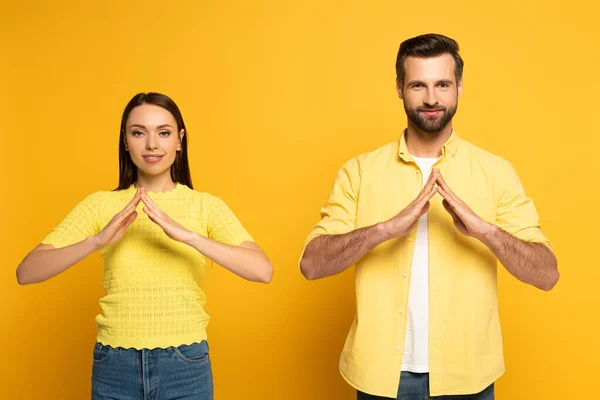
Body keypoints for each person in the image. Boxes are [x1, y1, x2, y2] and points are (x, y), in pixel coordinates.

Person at [299, 33, 558, 400]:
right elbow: (311, 264)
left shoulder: (495, 172)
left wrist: (486, 231)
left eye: (442, 84)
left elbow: (547, 274)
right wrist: (386, 228)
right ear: (399, 88)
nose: (432, 98)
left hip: (468, 378)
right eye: (418, 85)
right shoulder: (359, 172)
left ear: (459, 87)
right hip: (380, 379)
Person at [16, 92, 274, 399]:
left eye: (163, 133)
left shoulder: (205, 206)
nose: (152, 145)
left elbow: (263, 270)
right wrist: (95, 241)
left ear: (180, 140)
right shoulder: (101, 205)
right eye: (138, 132)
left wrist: (189, 236)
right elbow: (26, 272)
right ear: (125, 141)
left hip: (185, 365)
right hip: (115, 365)